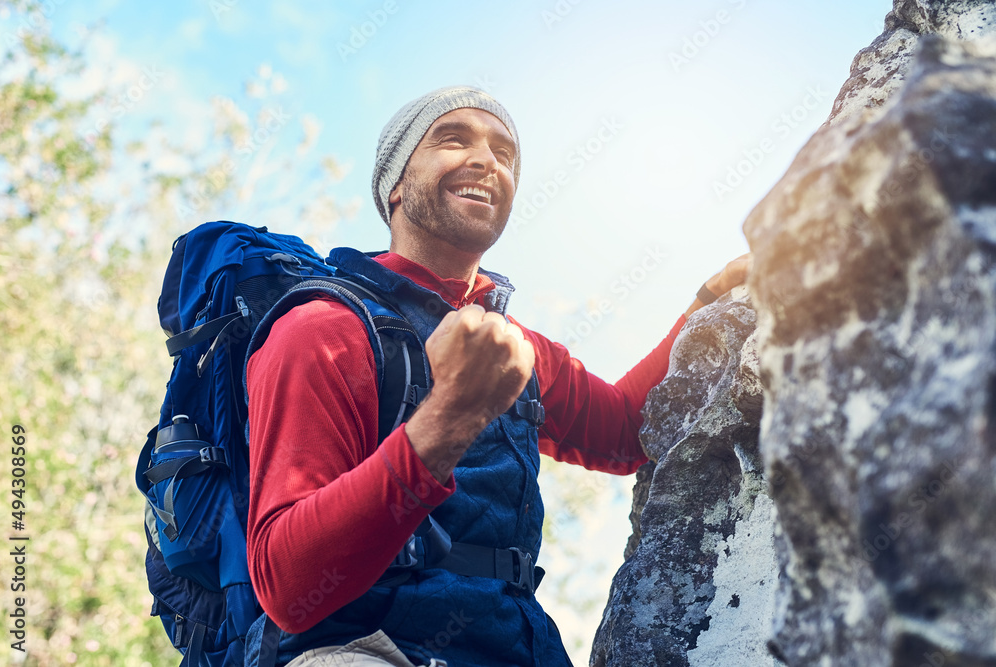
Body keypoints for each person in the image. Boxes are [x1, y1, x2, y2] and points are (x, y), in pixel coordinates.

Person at [244, 86, 749, 667]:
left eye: (504, 152)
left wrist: (709, 304)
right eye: (453, 138)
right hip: (366, 651)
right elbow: (286, 585)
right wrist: (449, 418)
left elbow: (630, 430)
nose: (487, 160)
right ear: (396, 187)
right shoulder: (325, 329)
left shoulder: (516, 349)